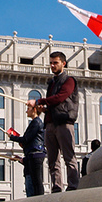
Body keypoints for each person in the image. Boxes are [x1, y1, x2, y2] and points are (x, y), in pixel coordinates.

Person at [28, 51, 80, 192]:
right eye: (51, 63)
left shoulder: (69, 80)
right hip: (50, 124)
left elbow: (60, 97)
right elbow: (54, 103)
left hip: (64, 123)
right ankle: (57, 187)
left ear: (63, 63)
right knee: (52, 160)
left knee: (69, 157)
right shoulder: (51, 83)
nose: (52, 65)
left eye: (55, 62)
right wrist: (44, 109)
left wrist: (39, 100)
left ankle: (73, 186)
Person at [8, 105, 46, 196]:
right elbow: (28, 140)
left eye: (28, 109)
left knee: (36, 182)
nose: (26, 111)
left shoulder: (36, 122)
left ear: (34, 110)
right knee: (34, 182)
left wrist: (12, 137)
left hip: (36, 155)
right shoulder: (35, 122)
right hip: (32, 155)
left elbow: (26, 139)